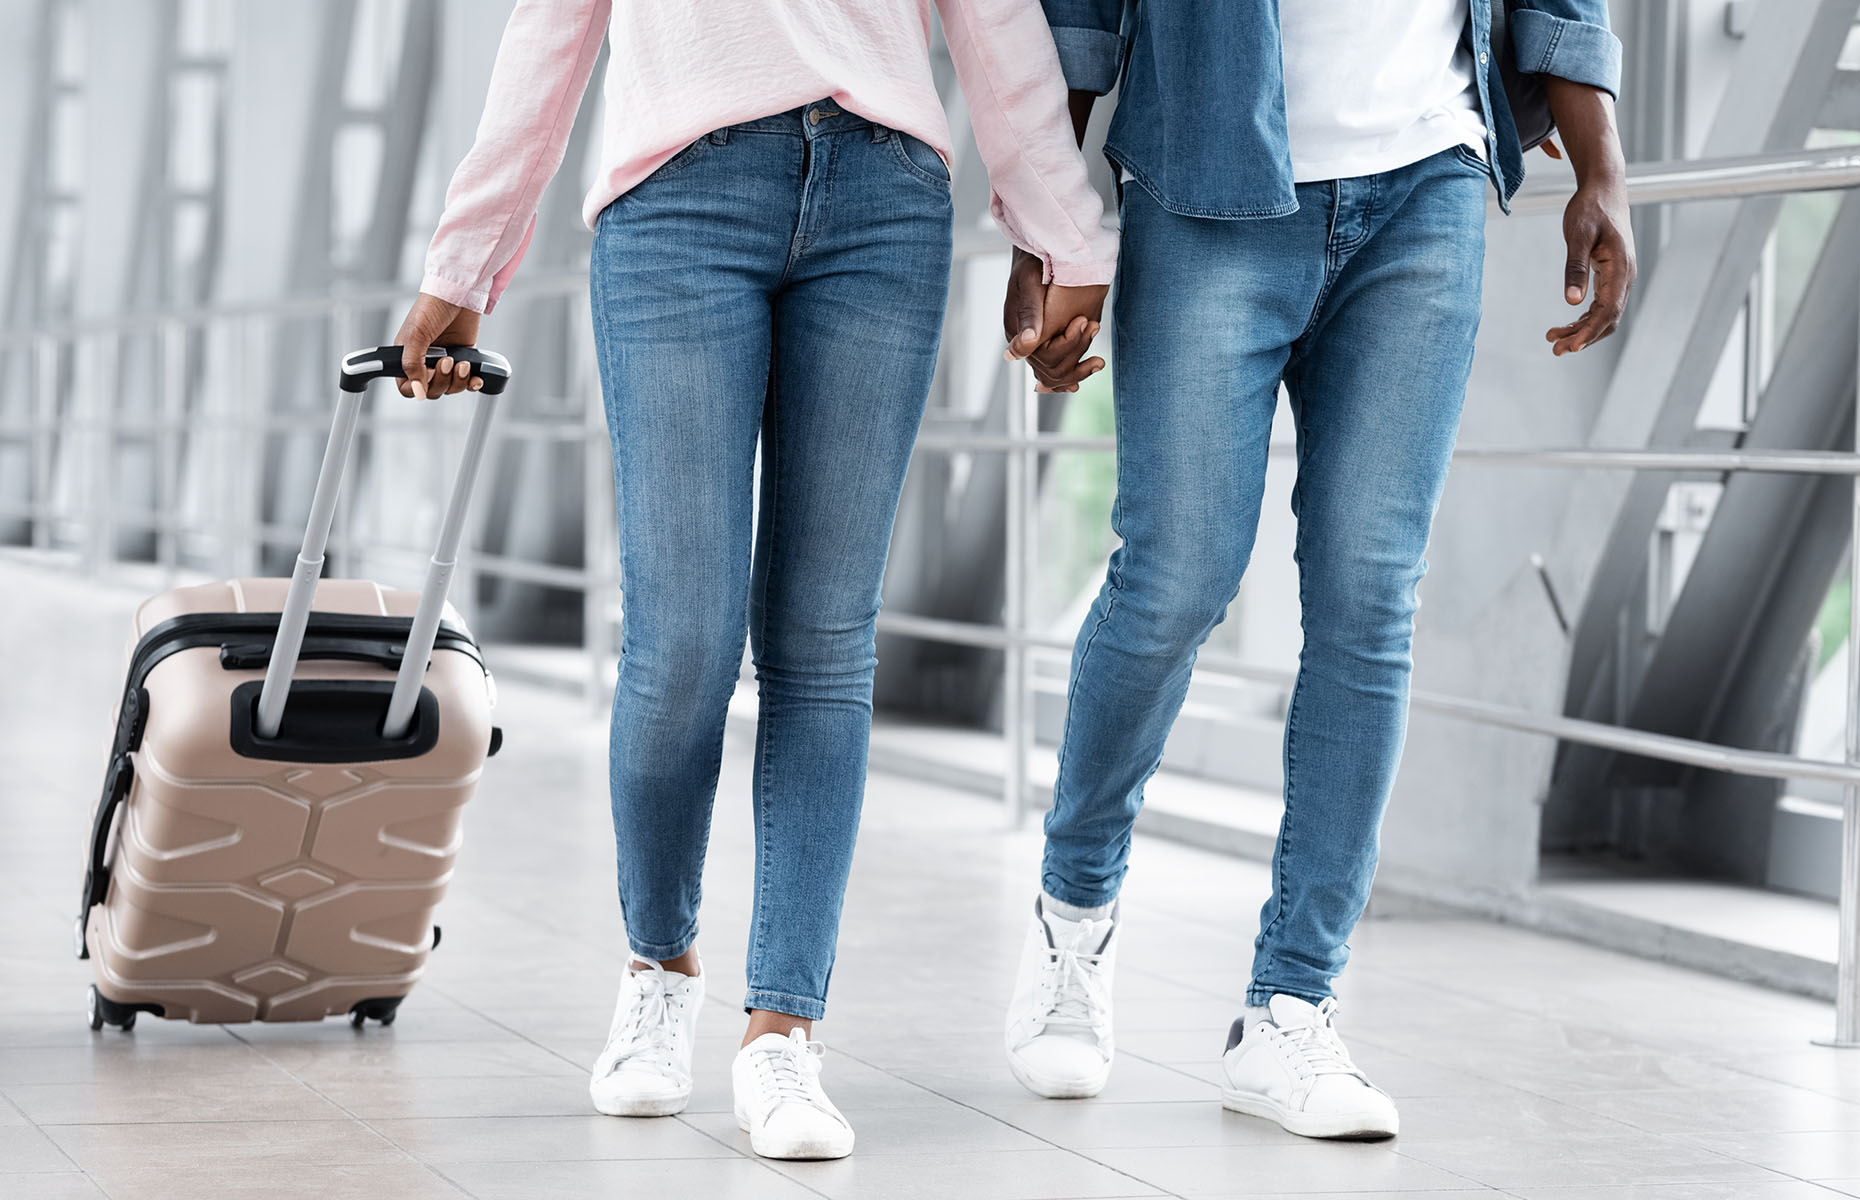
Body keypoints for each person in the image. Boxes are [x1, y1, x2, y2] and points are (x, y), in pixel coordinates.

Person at [394, 0, 1114, 1161]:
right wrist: (465, 258)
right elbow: (549, 30)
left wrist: (1062, 233)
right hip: (677, 198)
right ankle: (659, 965)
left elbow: (995, 19)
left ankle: (785, 1029)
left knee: (825, 642)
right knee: (682, 638)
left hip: (884, 201)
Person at [1004, 0, 1635, 1139]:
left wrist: (1603, 165)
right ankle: (1073, 913)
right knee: (1177, 575)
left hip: (1426, 185)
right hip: (1207, 181)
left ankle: (1293, 1002)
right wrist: (1051, 228)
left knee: (1369, 601)